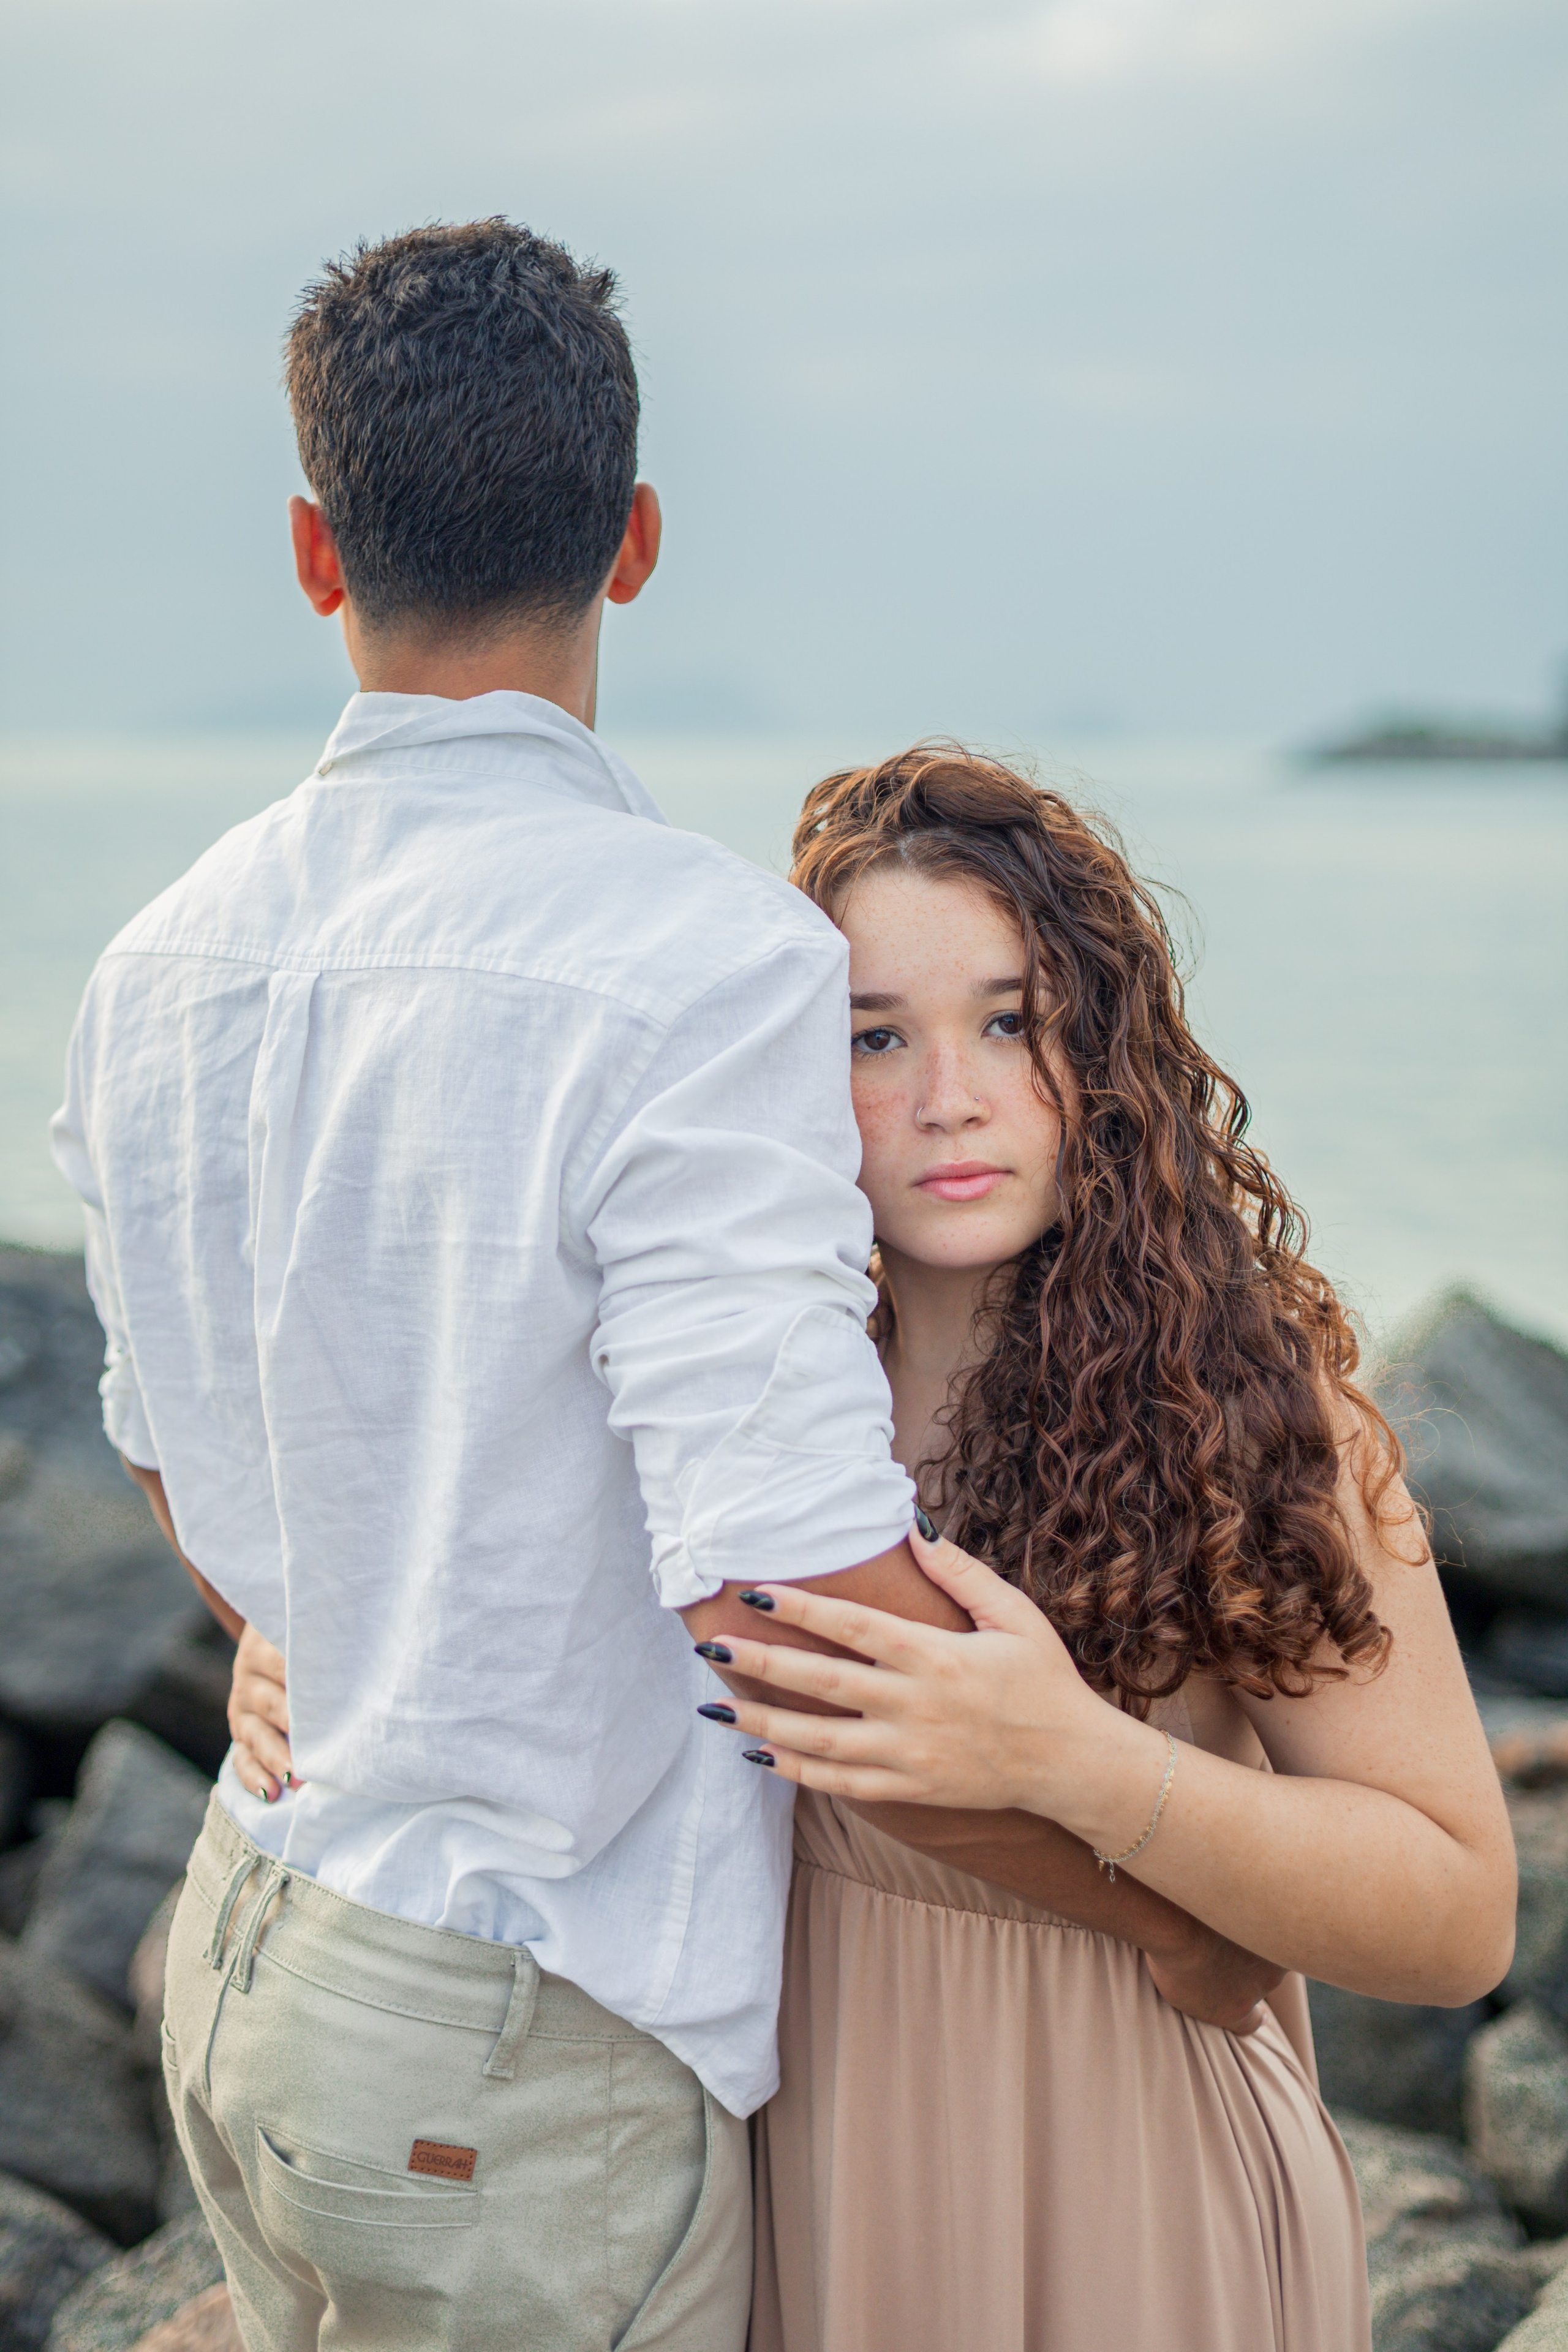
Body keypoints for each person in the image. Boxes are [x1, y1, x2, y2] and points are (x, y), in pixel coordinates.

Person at [52, 228, 1267, 2352]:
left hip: (254, 1943)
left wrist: (319, 1635)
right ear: (632, 541)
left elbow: (174, 1447)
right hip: (523, 2040)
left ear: (315, 553)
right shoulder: (697, 965)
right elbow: (784, 1598)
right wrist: (1168, 1910)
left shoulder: (157, 959)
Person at [232, 742, 1517, 2348]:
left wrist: (1082, 1764)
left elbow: (1460, 1915)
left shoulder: (1244, 1404)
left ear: (1100, 1048)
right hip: (801, 2154)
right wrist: (297, 1656)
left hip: (1135, 2169)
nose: (949, 1097)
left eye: (1008, 1020)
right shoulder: (720, 1386)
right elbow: (474, 1580)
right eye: (871, 1038)